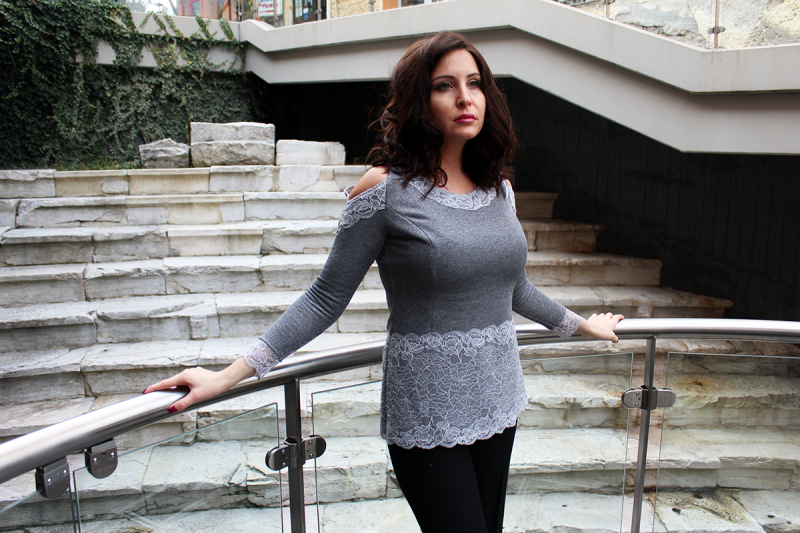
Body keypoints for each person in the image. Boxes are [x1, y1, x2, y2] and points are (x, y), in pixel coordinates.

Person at [144, 31, 623, 533]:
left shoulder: (499, 189)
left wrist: (582, 326)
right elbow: (325, 298)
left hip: (500, 398)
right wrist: (227, 376)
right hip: (428, 413)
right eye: (445, 85)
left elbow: (515, 288)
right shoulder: (386, 190)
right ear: (419, 100)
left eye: (475, 83)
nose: (465, 98)